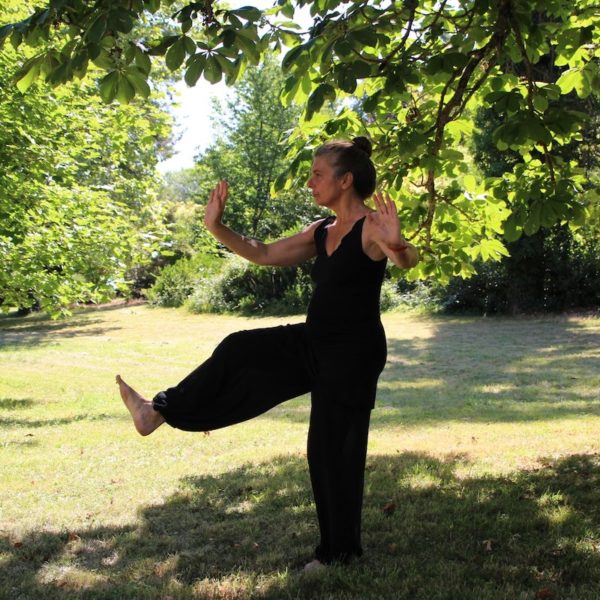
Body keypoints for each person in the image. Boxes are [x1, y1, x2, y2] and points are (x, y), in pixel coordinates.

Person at [116, 136, 419, 570]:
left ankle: (339, 554)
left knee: (332, 450)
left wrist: (399, 244)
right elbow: (263, 252)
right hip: (314, 342)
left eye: (317, 174)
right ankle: (156, 412)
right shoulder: (322, 231)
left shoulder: (373, 226)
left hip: (352, 354)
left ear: (345, 179)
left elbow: (407, 260)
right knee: (241, 348)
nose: (310, 182)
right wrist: (216, 227)